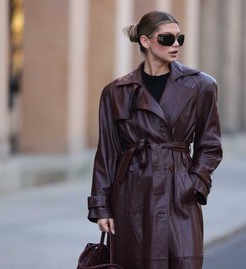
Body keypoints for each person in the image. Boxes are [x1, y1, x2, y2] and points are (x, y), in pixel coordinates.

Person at [87, 11, 223, 269]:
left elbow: (211, 146)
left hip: (180, 195)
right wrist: (101, 206)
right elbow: (107, 152)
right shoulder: (115, 92)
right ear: (146, 41)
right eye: (167, 38)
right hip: (131, 196)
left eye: (179, 38)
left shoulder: (201, 86)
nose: (175, 45)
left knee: (182, 261)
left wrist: (194, 185)